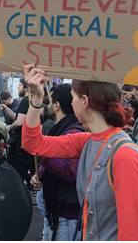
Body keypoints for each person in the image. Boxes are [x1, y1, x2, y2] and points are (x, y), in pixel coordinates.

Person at [20, 64, 138, 241]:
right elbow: (33, 144)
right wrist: (37, 97)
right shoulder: (86, 140)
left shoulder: (126, 155)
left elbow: (131, 234)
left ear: (85, 101)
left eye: (73, 97)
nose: (71, 103)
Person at [28, 82, 84, 241]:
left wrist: (43, 154)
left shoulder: (73, 131)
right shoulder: (59, 129)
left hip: (66, 216)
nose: (48, 105)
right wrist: (40, 173)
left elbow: (70, 171)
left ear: (57, 106)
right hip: (57, 212)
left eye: (50, 101)